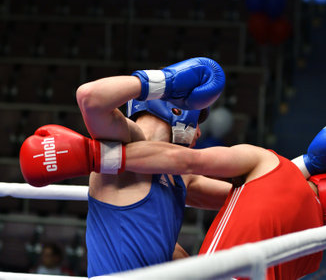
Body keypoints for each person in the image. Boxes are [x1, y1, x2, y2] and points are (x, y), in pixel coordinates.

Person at [21, 115, 326, 279]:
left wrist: (94, 158)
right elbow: (226, 199)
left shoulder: (269, 166)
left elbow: (190, 162)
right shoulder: (313, 253)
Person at [20, 57, 231, 277]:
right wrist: (164, 82)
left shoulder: (179, 176)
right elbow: (89, 97)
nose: (198, 132)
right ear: (178, 112)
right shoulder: (127, 144)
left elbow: (237, 197)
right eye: (198, 123)